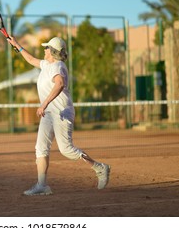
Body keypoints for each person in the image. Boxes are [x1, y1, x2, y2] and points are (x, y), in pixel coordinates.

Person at [7, 36, 110, 195]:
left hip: (61, 112)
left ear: (52, 51)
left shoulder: (58, 66)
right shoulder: (46, 65)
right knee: (40, 148)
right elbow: (30, 59)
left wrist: (44, 104)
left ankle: (100, 167)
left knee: (67, 150)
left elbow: (60, 84)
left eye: (46, 47)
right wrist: (16, 45)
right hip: (49, 114)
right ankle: (42, 185)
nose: (44, 49)